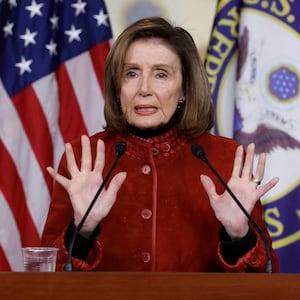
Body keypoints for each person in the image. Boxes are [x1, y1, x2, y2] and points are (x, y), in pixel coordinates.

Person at [41, 16, 280, 272]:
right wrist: (83, 229)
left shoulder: (225, 158)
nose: (144, 88)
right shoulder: (82, 158)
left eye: (161, 74)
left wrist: (239, 235)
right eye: (131, 73)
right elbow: (47, 279)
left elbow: (267, 280)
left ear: (185, 89)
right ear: (117, 86)